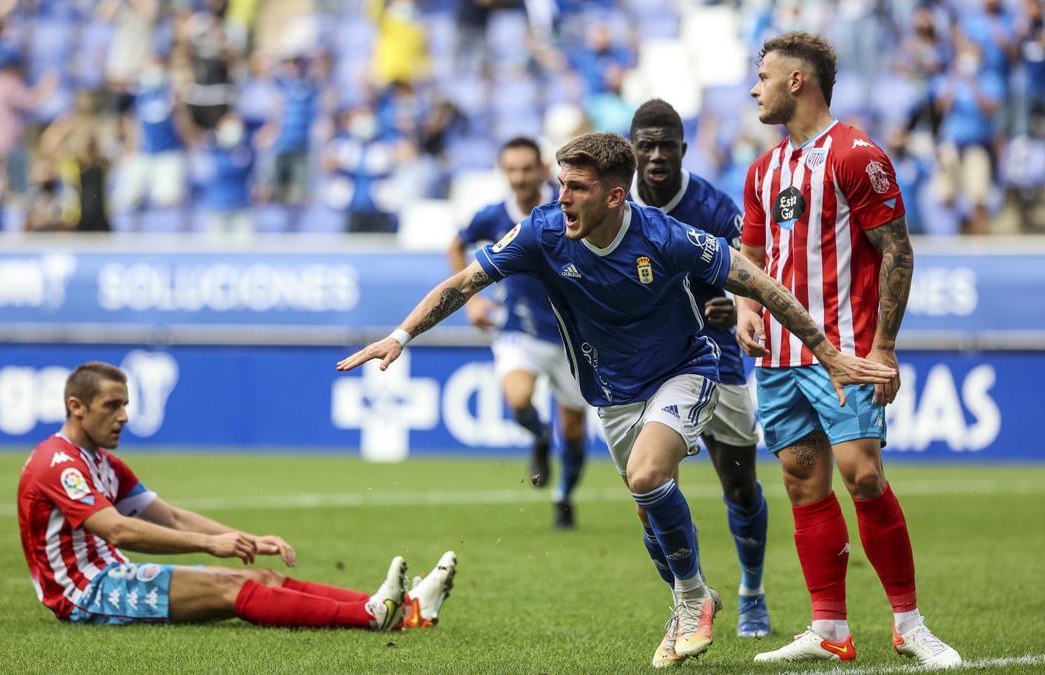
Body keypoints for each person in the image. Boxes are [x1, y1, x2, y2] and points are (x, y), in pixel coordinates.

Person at [338, 132, 893, 665]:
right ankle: (688, 596)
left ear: (613, 194)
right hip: (611, 393)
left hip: (686, 370)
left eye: (576, 187)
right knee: (649, 515)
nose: (562, 197)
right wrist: (400, 335)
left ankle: (697, 597)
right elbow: (463, 284)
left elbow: (759, 283)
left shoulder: (665, 236)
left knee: (650, 476)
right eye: (561, 184)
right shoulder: (543, 230)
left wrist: (824, 350)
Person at [740, 33, 960, 667]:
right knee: (803, 484)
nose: (755, 88)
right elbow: (753, 257)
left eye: (763, 76)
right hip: (781, 357)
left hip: (848, 351)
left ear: (797, 82)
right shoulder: (764, 169)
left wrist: (885, 348)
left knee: (861, 473)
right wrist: (750, 309)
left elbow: (897, 250)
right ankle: (829, 627)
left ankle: (909, 624)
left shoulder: (856, 155)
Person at [18, 361, 458, 630]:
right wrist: (212, 545)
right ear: (76, 407)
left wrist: (245, 538)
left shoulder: (103, 463)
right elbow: (116, 529)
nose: (125, 416)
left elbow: (167, 517)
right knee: (231, 586)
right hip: (84, 593)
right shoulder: (57, 462)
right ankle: (372, 615)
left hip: (112, 577)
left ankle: (402, 609)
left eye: (125, 404)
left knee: (260, 578)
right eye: (111, 406)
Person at [628, 99, 771, 650]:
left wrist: (740, 307)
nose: (658, 155)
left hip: (717, 359)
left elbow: (757, 275)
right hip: (649, 365)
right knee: (651, 489)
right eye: (648, 144)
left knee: (737, 484)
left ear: (684, 149)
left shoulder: (713, 206)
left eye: (668, 144)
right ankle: (689, 599)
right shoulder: (616, 204)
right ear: (633, 148)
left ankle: (752, 590)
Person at [447, 136, 588, 530]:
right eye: (511, 170)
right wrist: (473, 300)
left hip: (572, 336)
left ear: (542, 168)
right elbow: (455, 246)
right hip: (519, 329)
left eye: (526, 169)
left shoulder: (565, 207)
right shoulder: (492, 216)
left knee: (575, 430)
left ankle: (565, 495)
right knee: (518, 397)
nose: (519, 177)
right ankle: (540, 437)